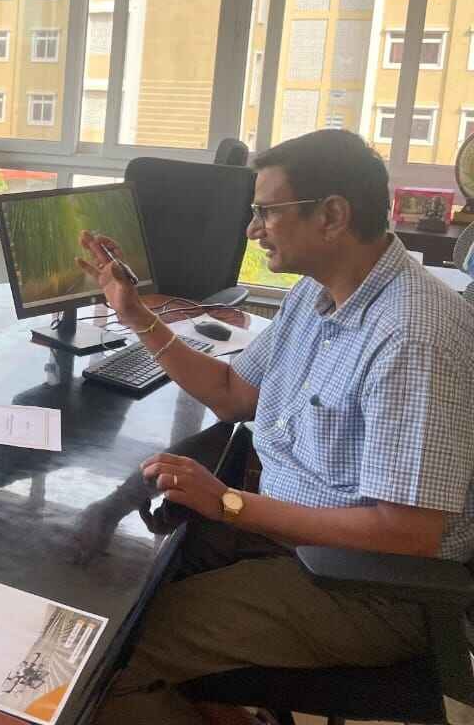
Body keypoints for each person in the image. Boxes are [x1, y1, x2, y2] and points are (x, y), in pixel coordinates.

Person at [81, 129, 474, 725]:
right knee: (104, 581)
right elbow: (232, 393)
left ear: (332, 216)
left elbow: (405, 535)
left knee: (108, 660)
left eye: (266, 211)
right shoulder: (315, 296)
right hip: (293, 538)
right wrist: (136, 316)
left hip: (372, 587)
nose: (252, 229)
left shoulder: (412, 337)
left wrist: (229, 504)